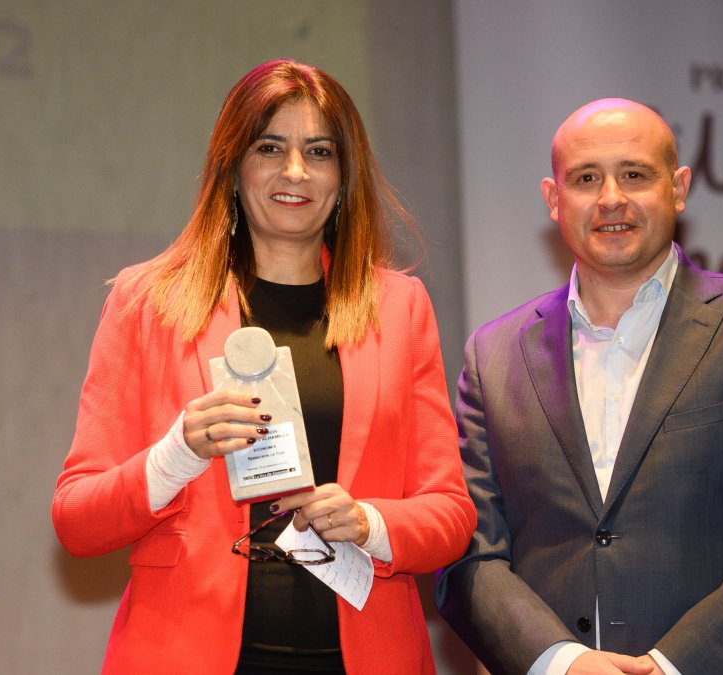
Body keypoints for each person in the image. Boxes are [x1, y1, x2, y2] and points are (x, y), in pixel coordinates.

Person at [51, 59, 475, 674]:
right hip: (184, 653)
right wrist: (178, 455)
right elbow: (77, 519)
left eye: (319, 151)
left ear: (343, 174)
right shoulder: (148, 303)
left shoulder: (400, 308)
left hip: (363, 655)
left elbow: (451, 512)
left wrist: (370, 521)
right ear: (234, 165)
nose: (295, 171)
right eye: (270, 147)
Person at [435, 98, 723, 675]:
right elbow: (468, 545)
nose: (611, 198)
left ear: (678, 188)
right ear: (554, 200)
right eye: (586, 178)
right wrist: (563, 663)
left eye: (634, 174)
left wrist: (671, 666)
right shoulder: (493, 356)